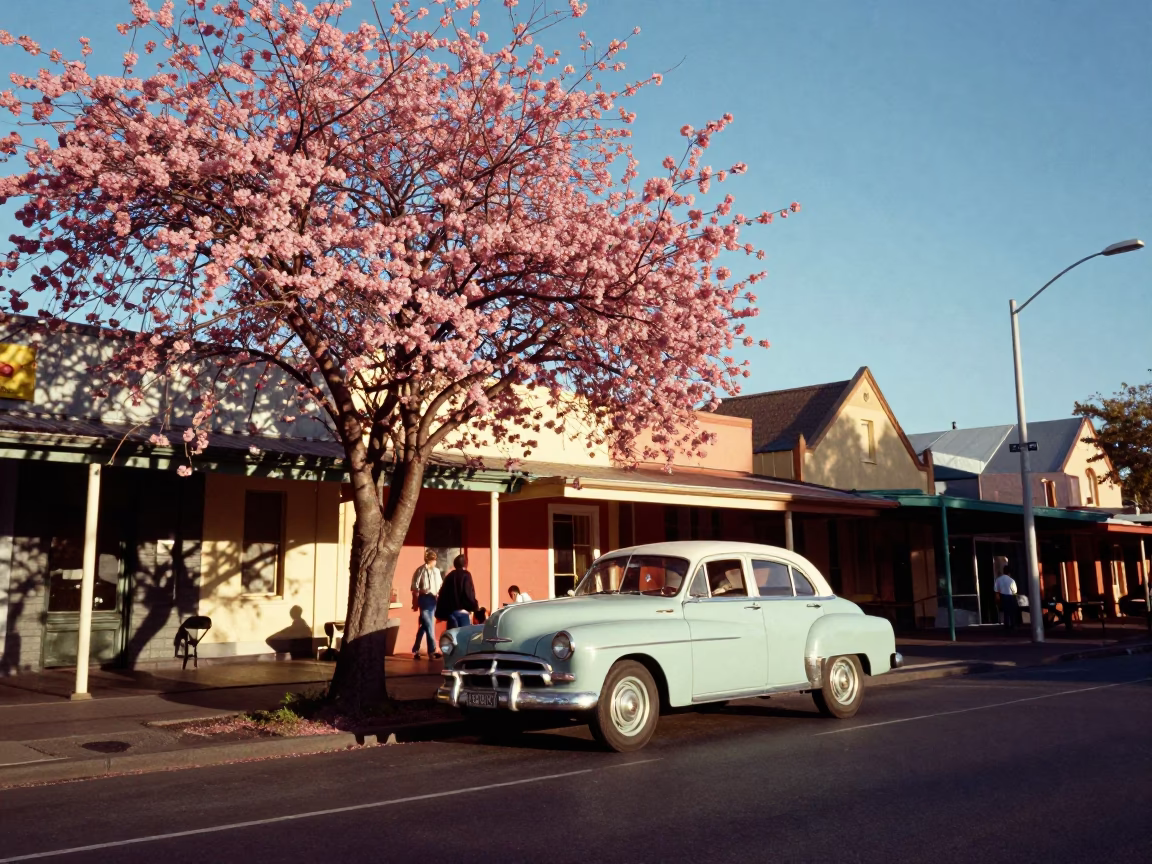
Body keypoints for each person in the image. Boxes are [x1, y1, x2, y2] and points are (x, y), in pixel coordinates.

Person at [410, 549, 442, 660]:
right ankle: (432, 651)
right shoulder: (420, 570)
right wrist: (415, 602)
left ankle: (416, 649)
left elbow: (440, 586)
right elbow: (414, 587)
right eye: (433, 560)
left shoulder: (437, 571)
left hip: (434, 599)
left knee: (424, 625)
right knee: (429, 624)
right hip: (424, 598)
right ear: (429, 560)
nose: (435, 562)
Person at [436, 554, 478, 629]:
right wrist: (474, 607)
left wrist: (440, 613)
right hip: (463, 613)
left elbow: (442, 594)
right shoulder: (466, 575)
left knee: (452, 638)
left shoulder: (449, 576)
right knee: (464, 637)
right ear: (465, 564)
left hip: (451, 614)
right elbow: (468, 593)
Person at [993, 556, 1018, 632]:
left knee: (1005, 612)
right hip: (1010, 596)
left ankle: (1006, 625)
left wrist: (997, 597)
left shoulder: (998, 579)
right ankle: (1013, 625)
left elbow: (996, 589)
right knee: (1012, 612)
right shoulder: (1011, 580)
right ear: (1009, 572)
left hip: (1002, 596)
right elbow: (1014, 591)